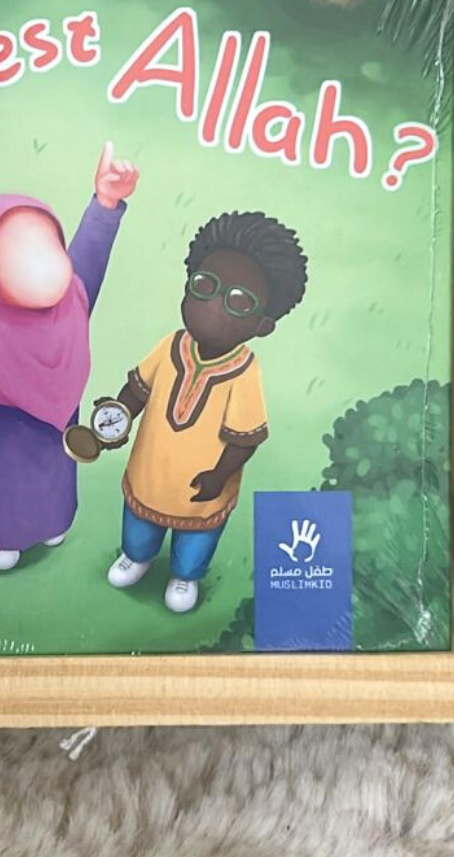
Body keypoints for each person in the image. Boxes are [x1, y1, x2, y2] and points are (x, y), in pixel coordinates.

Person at [0, 142, 139, 570]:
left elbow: (89, 256)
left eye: (48, 247)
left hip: (56, 443)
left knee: (54, 485)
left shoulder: (71, 304)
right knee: (3, 492)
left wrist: (105, 203)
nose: (43, 265)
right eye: (19, 258)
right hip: (4, 451)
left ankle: (51, 521)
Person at [103, 211, 308, 613]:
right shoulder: (170, 345)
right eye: (204, 285)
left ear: (263, 325)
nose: (213, 304)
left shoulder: (244, 371)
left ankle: (184, 576)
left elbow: (245, 438)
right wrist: (115, 418)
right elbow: (137, 390)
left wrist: (220, 475)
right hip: (149, 471)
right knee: (139, 525)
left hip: (204, 487)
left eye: (238, 301)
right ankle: (137, 557)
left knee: (196, 539)